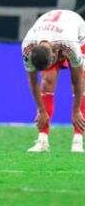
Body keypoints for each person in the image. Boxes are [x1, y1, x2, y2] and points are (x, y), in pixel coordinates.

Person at [21, 10, 85, 153]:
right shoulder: (27, 47)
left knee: (80, 84)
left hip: (78, 33)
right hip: (52, 33)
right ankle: (42, 141)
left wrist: (75, 111)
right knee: (47, 82)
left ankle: (78, 140)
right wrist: (41, 109)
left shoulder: (70, 44)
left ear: (55, 55)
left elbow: (78, 79)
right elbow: (33, 81)